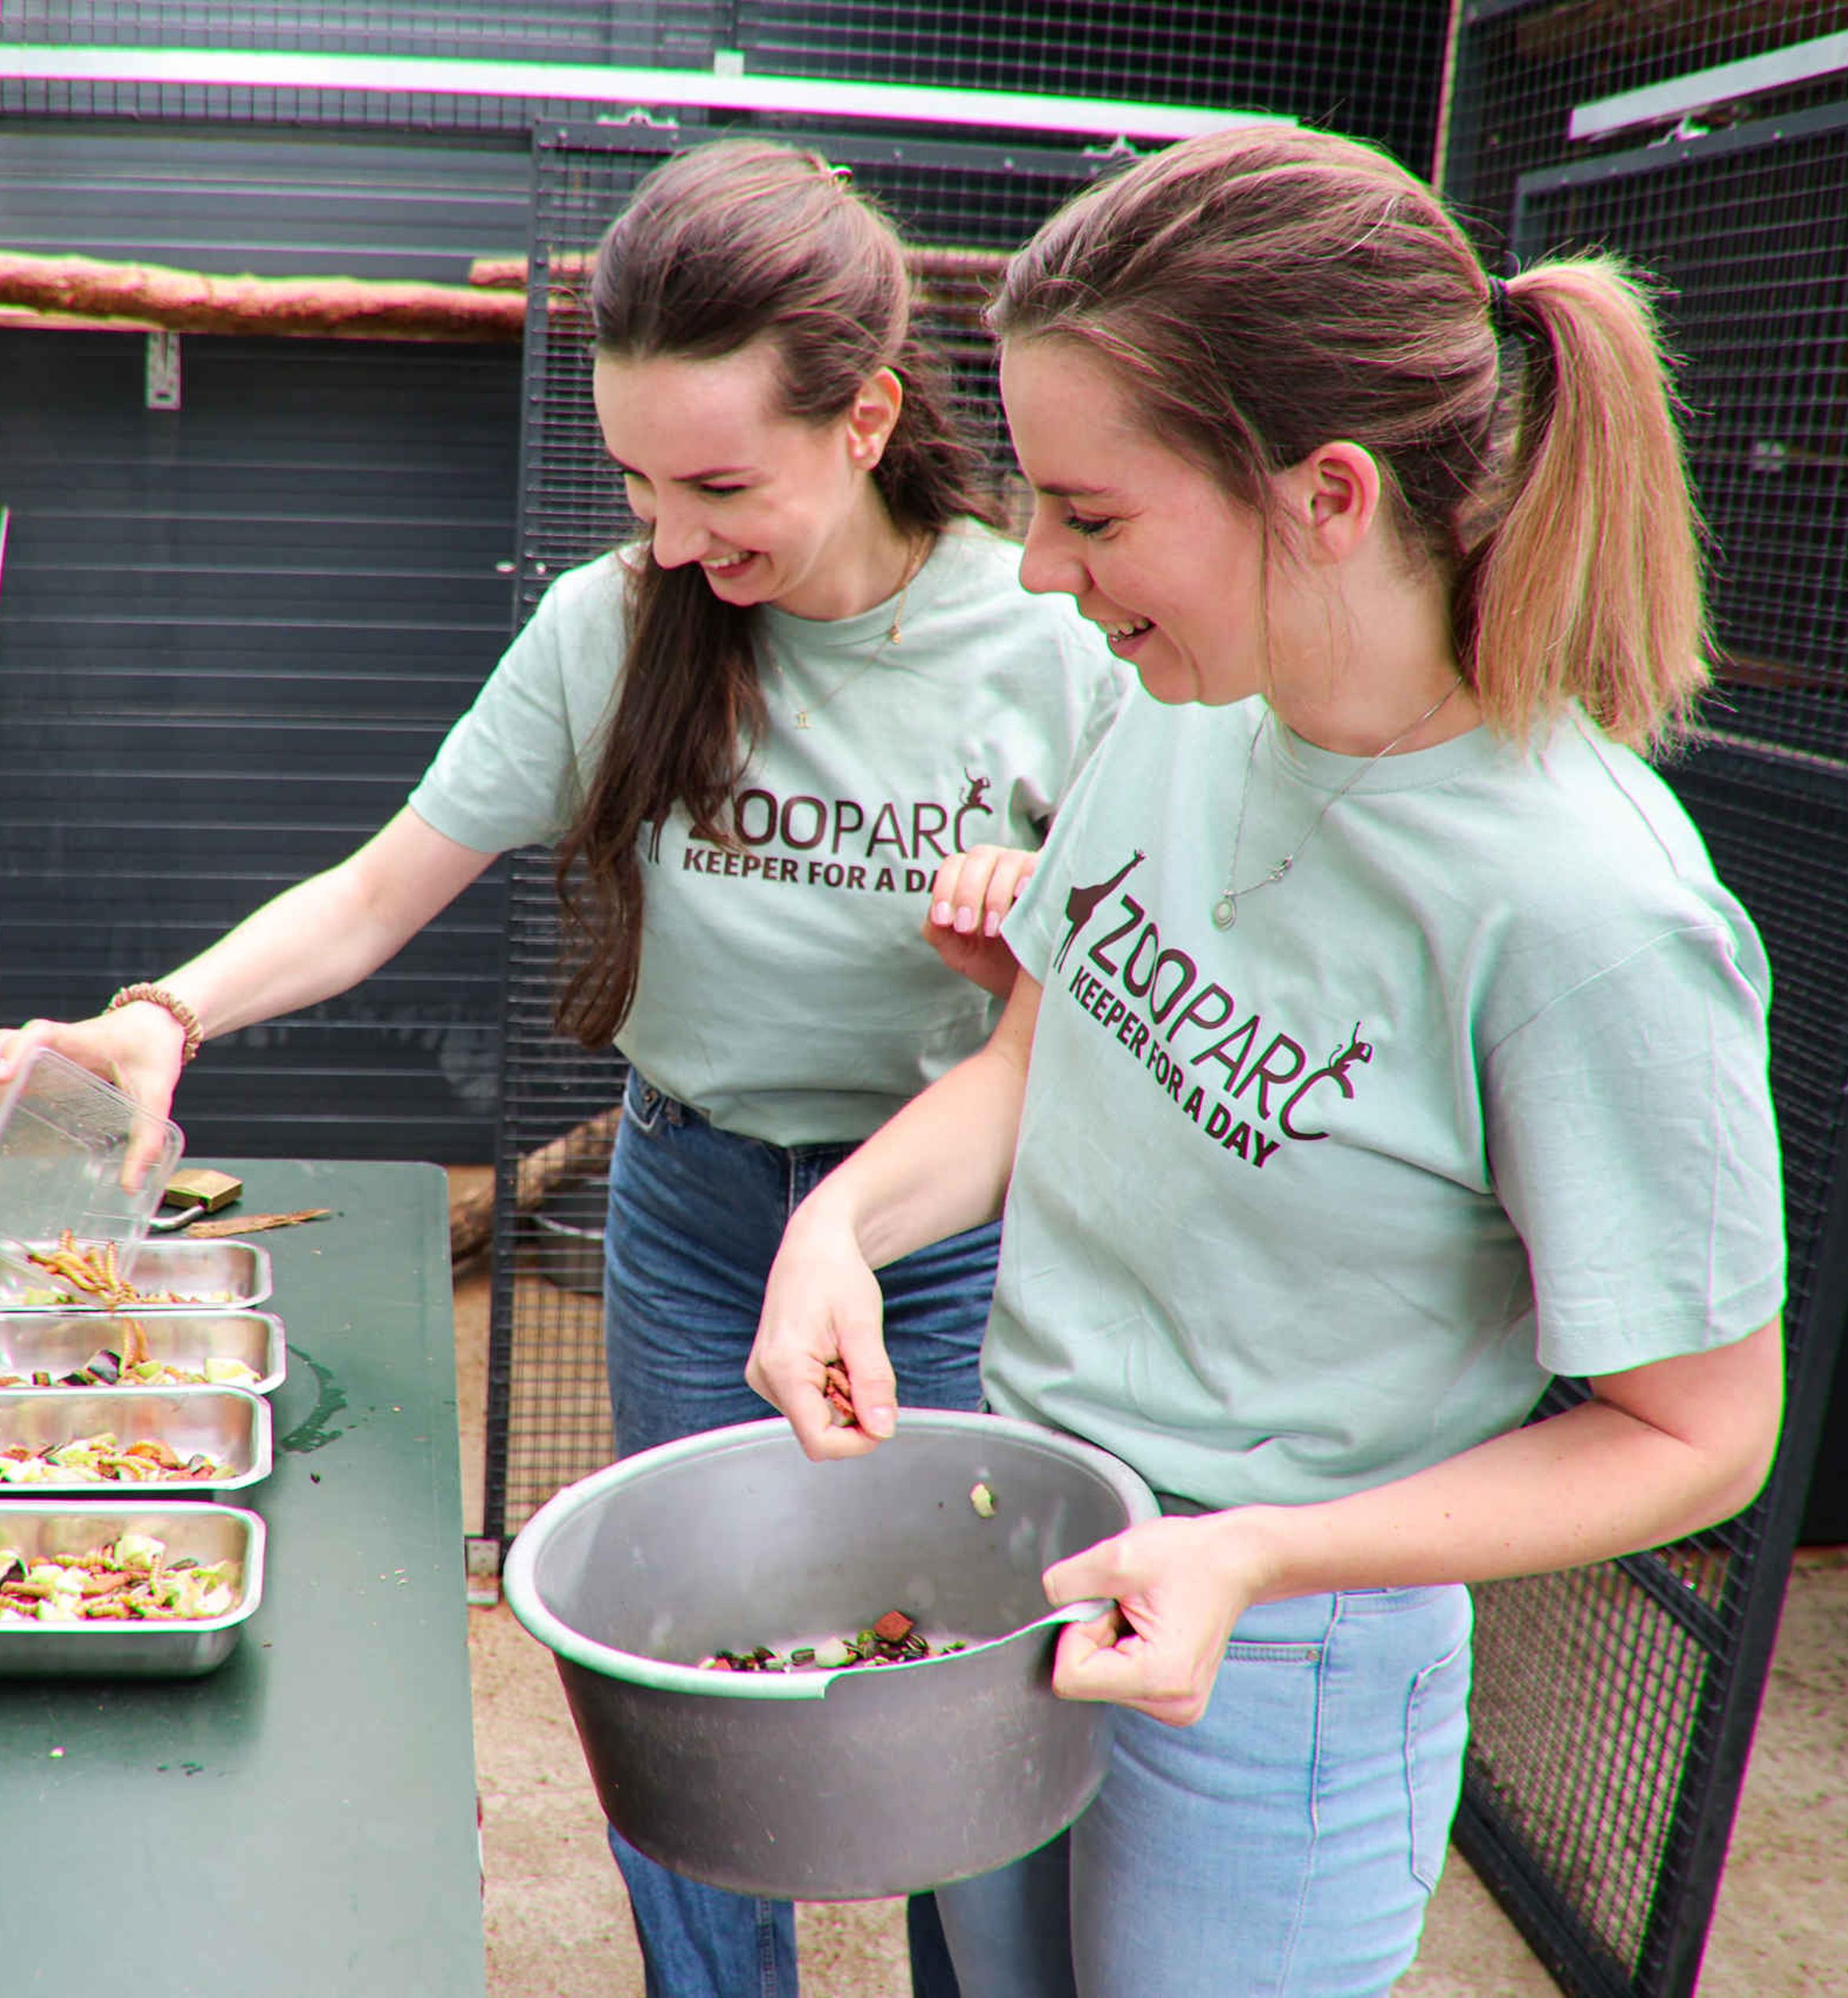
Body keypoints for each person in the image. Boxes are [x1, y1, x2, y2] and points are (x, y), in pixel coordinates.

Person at [0, 139, 1128, 1998]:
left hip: (952, 1221)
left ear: (870, 417)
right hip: (696, 1195)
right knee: (684, 1672)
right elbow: (374, 890)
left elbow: (1136, 976)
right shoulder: (612, 623)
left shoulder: (1061, 637)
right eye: (640, 480)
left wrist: (1046, 921)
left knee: (951, 1678)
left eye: (719, 483)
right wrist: (159, 1013)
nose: (669, 538)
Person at [744, 126, 1789, 1998]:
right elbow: (1049, 1044)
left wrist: (1262, 1552)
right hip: (1022, 1538)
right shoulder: (1183, 707)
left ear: (1323, 495)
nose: (1043, 570)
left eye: (1095, 512)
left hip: (1281, 1648)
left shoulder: (1585, 909)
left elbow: (1698, 1431)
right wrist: (846, 1222)